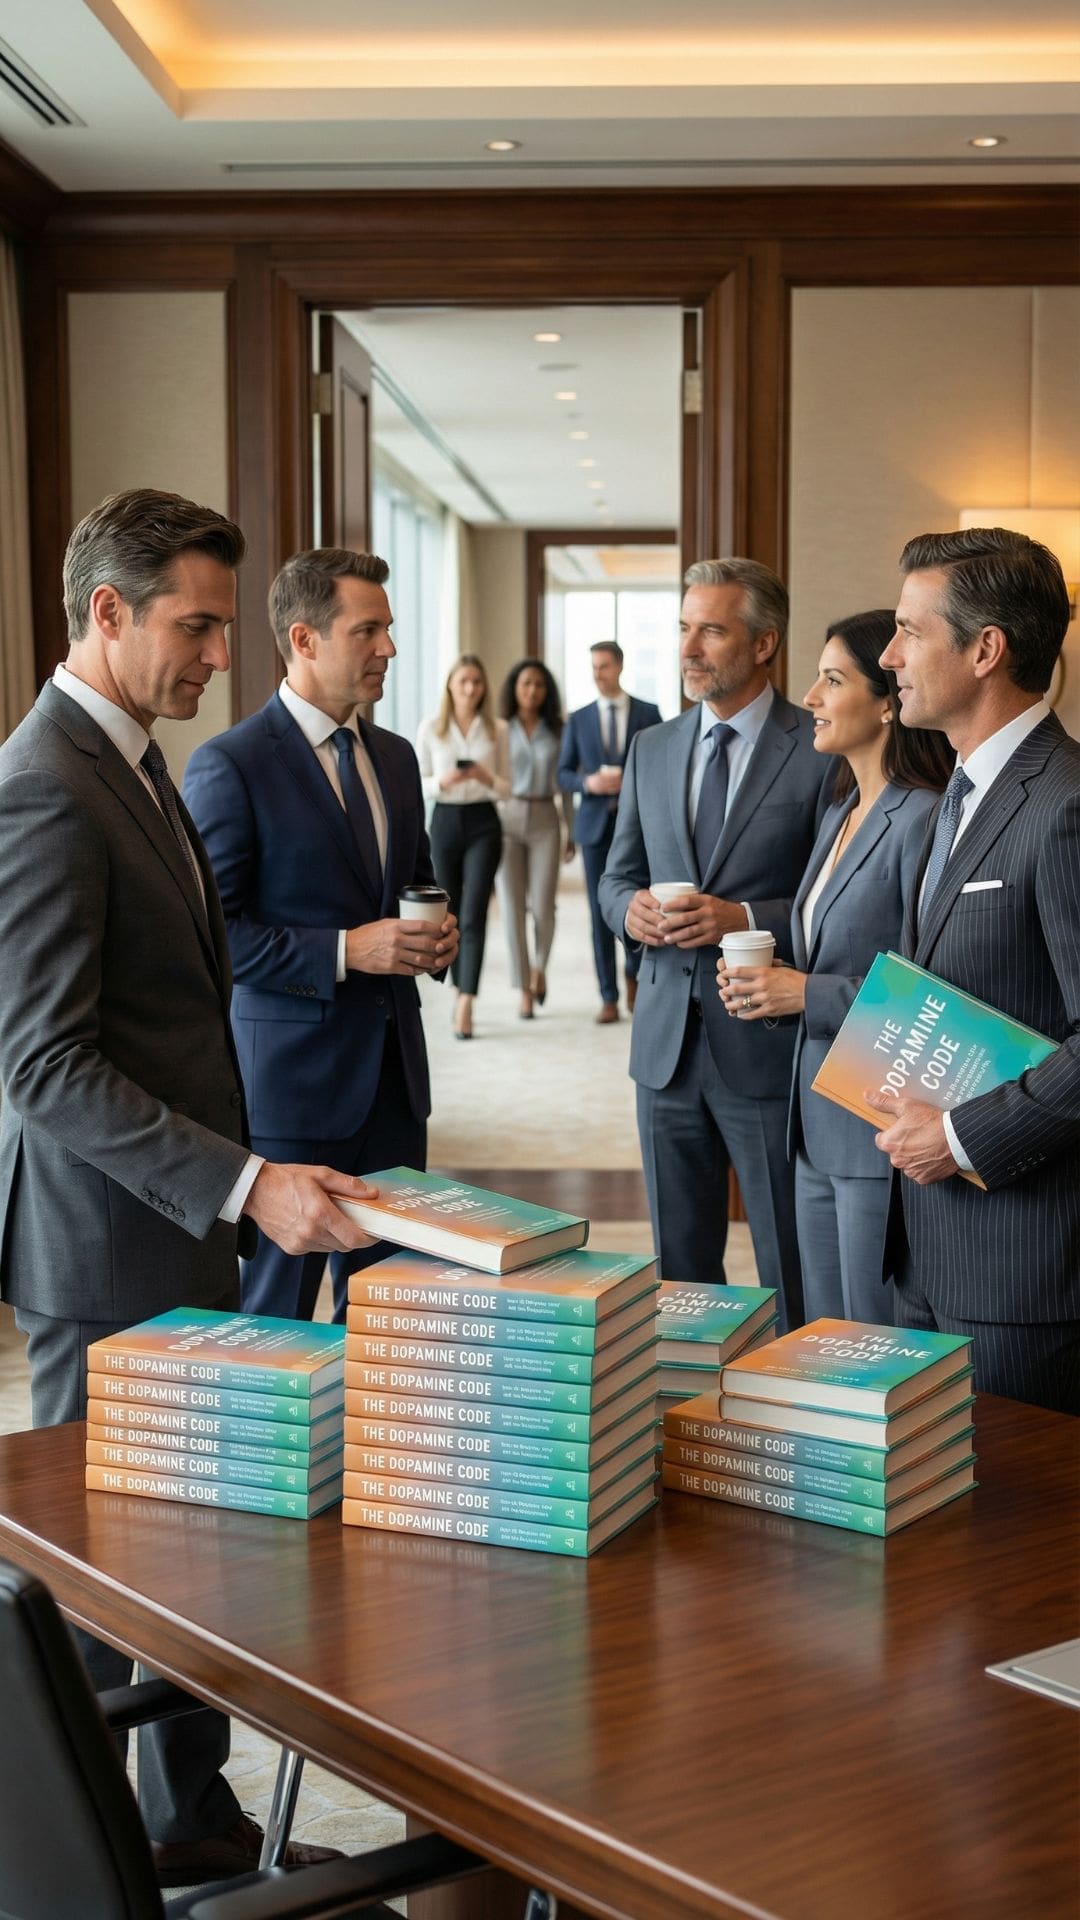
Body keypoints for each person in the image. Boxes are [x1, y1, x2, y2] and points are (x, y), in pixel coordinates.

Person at [0, 489, 376, 1884]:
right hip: (105, 1247)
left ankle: (189, 1821)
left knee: (183, 1559)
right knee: (96, 1594)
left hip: (174, 1234)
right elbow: (44, 1065)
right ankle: (88, 1872)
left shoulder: (135, 759)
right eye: (198, 626)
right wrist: (245, 1184)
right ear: (107, 613)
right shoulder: (44, 782)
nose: (222, 655)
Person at [184, 547, 458, 1325]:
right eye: (368, 631)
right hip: (291, 1094)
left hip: (396, 1085)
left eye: (389, 629)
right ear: (303, 640)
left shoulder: (397, 759)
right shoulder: (231, 765)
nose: (389, 649)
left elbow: (418, 883)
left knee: (390, 1317)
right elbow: (214, 937)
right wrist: (347, 950)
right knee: (276, 1324)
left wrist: (441, 938)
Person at [863, 527, 1080, 1415]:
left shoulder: (1066, 804)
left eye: (910, 632)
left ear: (986, 649)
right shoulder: (954, 794)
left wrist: (958, 1139)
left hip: (1021, 1269)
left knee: (1011, 1503)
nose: (889, 656)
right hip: (926, 1246)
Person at [598, 558, 834, 1333]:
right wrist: (629, 911)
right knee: (680, 1272)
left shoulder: (819, 747)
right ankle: (689, 1397)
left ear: (764, 644)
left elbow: (838, 898)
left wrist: (740, 916)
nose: (688, 648)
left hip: (765, 1044)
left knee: (788, 1262)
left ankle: (795, 1393)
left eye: (711, 631)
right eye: (682, 628)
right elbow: (615, 877)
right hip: (664, 1048)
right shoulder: (652, 747)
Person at [717, 610, 952, 1325]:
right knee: (824, 1334)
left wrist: (803, 993)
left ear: (886, 702)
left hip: (878, 1124)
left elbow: (932, 987)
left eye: (832, 681)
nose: (810, 698)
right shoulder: (841, 810)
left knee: (874, 1343)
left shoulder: (923, 818)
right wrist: (769, 984)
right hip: (813, 1121)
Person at [558, 640, 662, 1024]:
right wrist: (589, 783)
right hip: (594, 828)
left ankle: (634, 977)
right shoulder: (579, 718)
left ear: (619, 667)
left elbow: (662, 765)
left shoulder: (648, 713)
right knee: (599, 911)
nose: (598, 674)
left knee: (640, 905)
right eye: (593, 667)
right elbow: (562, 773)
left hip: (639, 828)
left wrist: (632, 782)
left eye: (603, 666)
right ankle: (607, 995)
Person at [416, 654, 509, 1040]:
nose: (470, 688)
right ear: (450, 686)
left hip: (484, 821)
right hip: (445, 820)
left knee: (474, 913)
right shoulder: (431, 728)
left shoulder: (498, 729)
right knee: (449, 911)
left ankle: (467, 998)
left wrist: (486, 777)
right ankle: (456, 987)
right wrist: (442, 781)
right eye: (463, 681)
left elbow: (507, 788)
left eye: (476, 681)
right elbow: (418, 782)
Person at [495, 657, 570, 1020]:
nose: (532, 691)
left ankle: (540, 967)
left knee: (542, 907)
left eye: (539, 685)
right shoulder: (499, 728)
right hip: (505, 819)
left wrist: (571, 831)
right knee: (511, 908)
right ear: (514, 688)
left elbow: (566, 786)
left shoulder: (558, 730)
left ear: (546, 691)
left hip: (545, 819)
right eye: (525, 684)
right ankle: (523, 987)